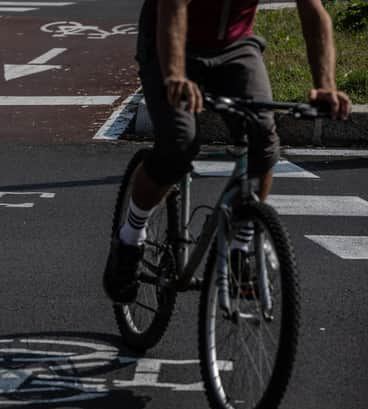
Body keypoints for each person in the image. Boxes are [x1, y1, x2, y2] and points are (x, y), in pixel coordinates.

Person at [104, 0, 352, 303]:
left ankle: (240, 248)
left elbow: (314, 13)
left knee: (262, 137)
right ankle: (131, 238)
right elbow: (172, 6)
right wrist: (175, 75)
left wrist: (325, 85)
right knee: (179, 144)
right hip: (169, 38)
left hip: (234, 46)